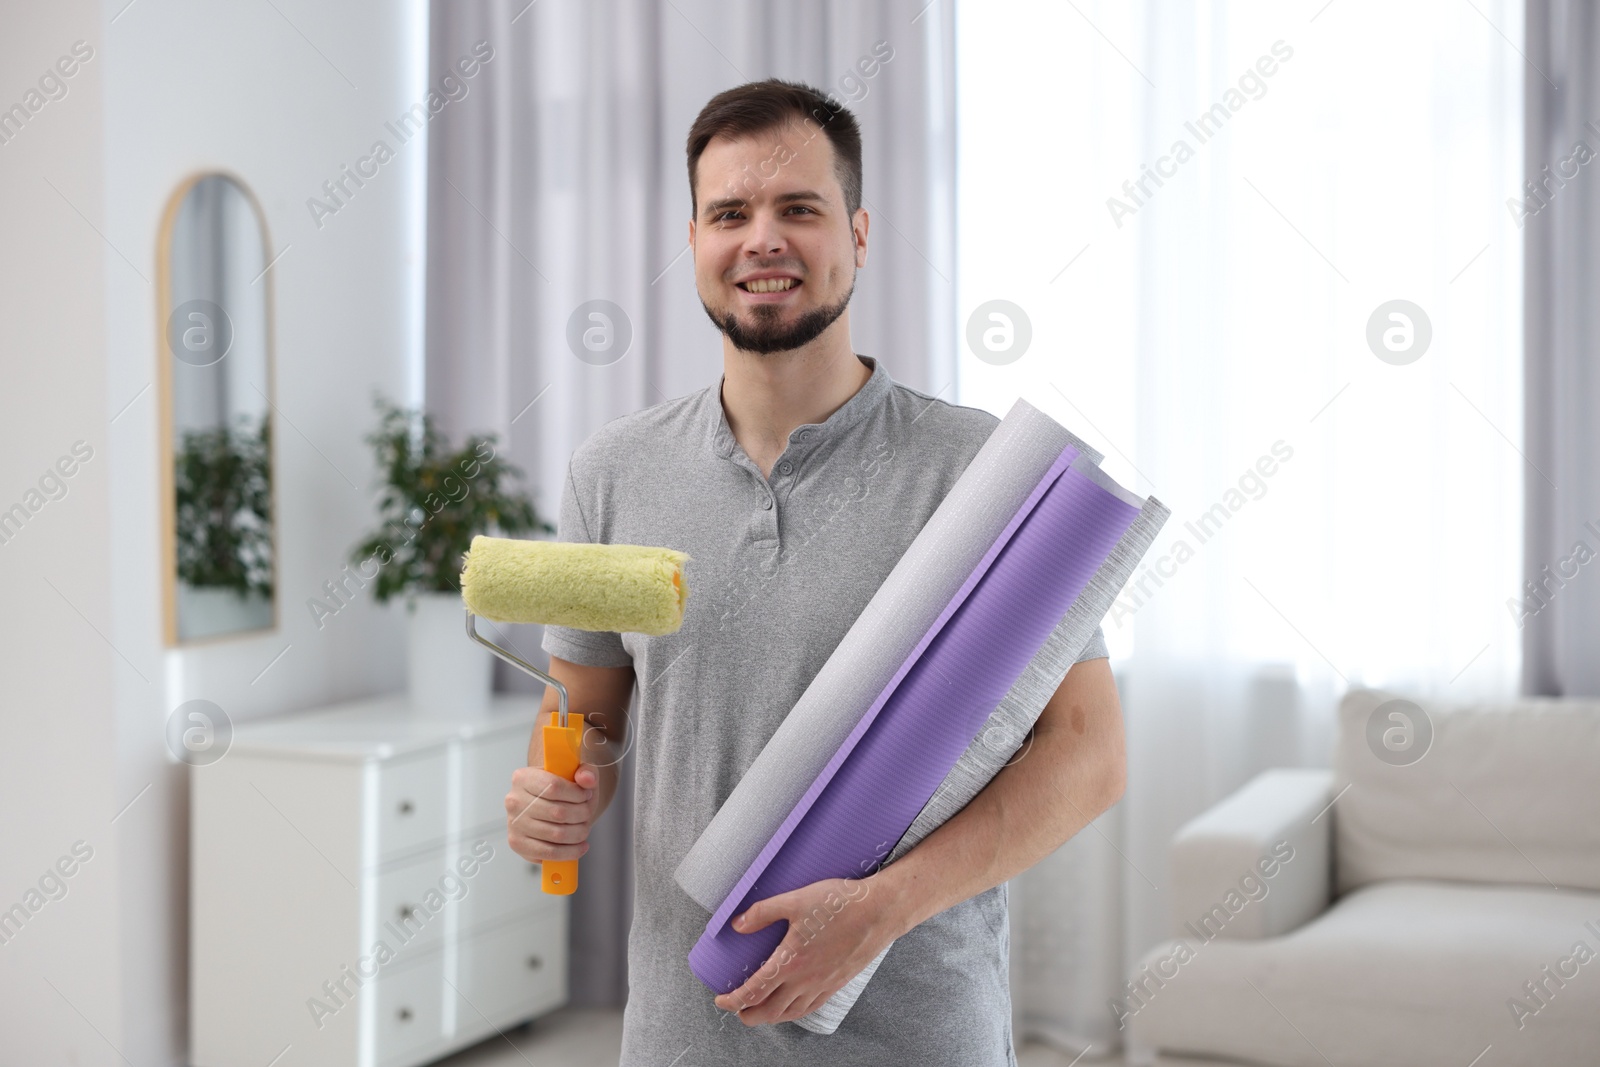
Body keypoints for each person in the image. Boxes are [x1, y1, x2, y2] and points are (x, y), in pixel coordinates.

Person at [505, 77, 1127, 1067]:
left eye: (799, 208)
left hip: (919, 1030)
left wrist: (884, 905)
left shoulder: (979, 472)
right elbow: (589, 721)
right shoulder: (611, 472)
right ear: (695, 240)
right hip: (684, 1032)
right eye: (728, 213)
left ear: (860, 232)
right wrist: (553, 791)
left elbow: (1088, 754)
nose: (763, 238)